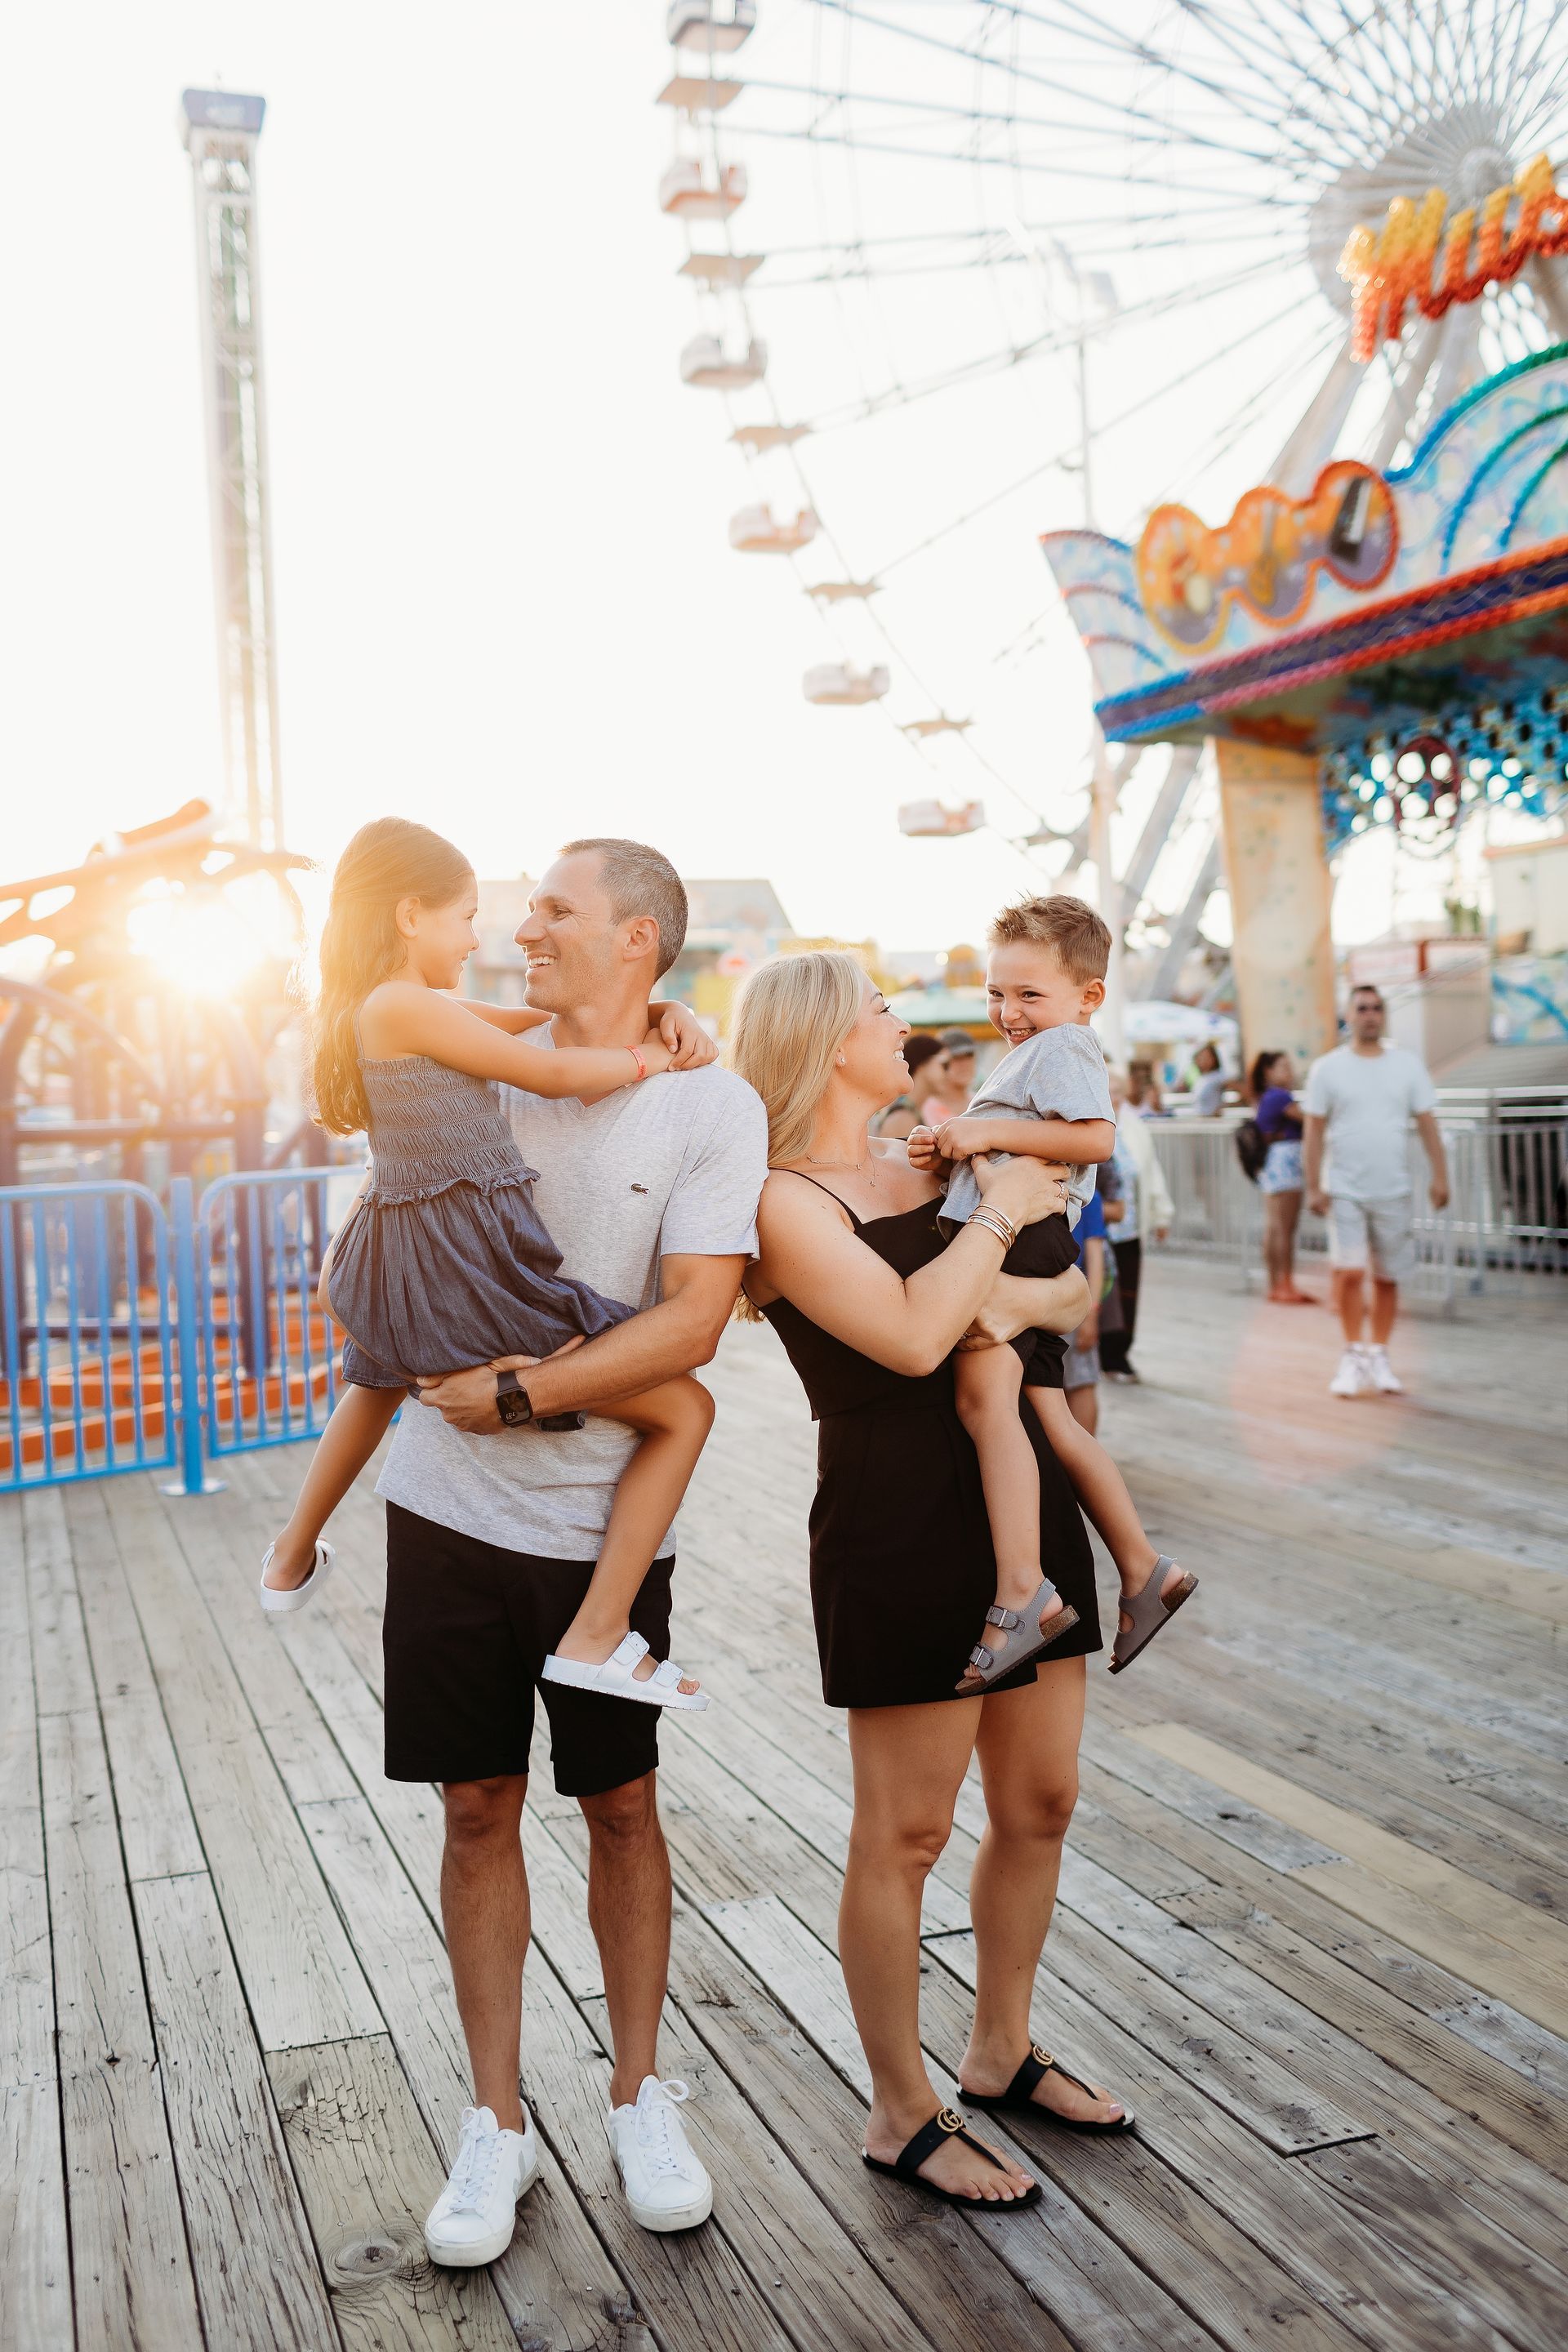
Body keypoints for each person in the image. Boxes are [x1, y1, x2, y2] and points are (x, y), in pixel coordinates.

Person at [363, 838, 768, 2264]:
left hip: (603, 1523)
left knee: (622, 1808)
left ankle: (640, 2094)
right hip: (446, 1509)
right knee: (474, 1811)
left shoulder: (713, 1102)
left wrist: (527, 1391)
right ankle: (494, 2127)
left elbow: (697, 1325)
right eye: (520, 907)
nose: (524, 929)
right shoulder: (468, 1072)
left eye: (554, 911)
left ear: (638, 937)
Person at [732, 950, 1136, 2212]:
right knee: (903, 1833)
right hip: (897, 1517)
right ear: (823, 1039)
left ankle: (1001, 2050)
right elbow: (910, 1336)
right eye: (880, 1011)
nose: (902, 1026)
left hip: (1017, 1495)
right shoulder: (781, 1198)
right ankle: (902, 2111)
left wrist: (990, 1289)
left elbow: (1071, 1300)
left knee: (1045, 1801)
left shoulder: (929, 1152)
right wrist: (1003, 1229)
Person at [261, 819, 715, 1712]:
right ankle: (601, 1634)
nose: (480, 938)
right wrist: (648, 1056)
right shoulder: (403, 1007)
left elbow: (540, 1025)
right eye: (466, 917)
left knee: (372, 1384)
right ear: (408, 916)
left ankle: (290, 1553)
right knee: (683, 1409)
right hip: (463, 1262)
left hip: (414, 1253)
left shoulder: (392, 1006)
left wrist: (668, 1007)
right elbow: (547, 1072)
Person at [910, 895, 1199, 1683]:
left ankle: (1022, 1593)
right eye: (999, 994)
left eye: (1028, 995)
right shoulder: (1038, 1050)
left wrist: (986, 1131)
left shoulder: (1067, 1044)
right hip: (1030, 1234)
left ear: (1087, 997)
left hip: (1023, 1242)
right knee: (1054, 1418)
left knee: (983, 1403)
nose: (1009, 1011)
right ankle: (1143, 1570)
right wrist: (952, 1147)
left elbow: (1093, 1139)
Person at [1302, 983, 1449, 1398]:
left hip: (1393, 1189)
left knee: (1387, 1276)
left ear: (1383, 1015)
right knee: (1349, 1273)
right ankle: (1352, 1354)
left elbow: (1427, 1122)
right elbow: (1313, 1131)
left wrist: (1441, 1176)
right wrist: (1314, 1184)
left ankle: (1379, 1354)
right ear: (1349, 1015)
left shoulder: (1407, 1065)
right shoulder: (1328, 1068)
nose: (1370, 1014)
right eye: (1362, 1008)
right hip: (1344, 1188)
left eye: (1376, 1008)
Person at [1098, 1066, 1172, 1382]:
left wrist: (1161, 1214)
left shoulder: (1134, 1127)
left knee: (1128, 1293)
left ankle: (1119, 1355)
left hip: (1128, 1229)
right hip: (1098, 1231)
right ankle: (1097, 1353)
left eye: (1118, 1091)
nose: (1114, 1097)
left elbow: (1151, 1172)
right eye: (1108, 1090)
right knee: (1099, 1294)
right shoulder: (1087, 1125)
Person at [1250, 1049, 1312, 1305]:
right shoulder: (1280, 1097)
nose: (1290, 1072)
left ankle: (1275, 1283)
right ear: (1269, 1072)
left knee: (1275, 1226)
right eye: (1284, 1067)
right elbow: (1312, 1120)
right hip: (1287, 1161)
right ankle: (1286, 1283)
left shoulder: (1266, 1097)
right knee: (1285, 1228)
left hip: (1272, 1162)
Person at [875, 1031, 942, 1140]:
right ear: (922, 1064)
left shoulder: (909, 1111)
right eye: (944, 1064)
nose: (949, 1073)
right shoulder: (903, 1116)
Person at [918, 1027, 978, 1129]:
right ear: (941, 1063)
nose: (964, 1064)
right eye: (956, 1058)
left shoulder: (980, 1101)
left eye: (969, 1056)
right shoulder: (925, 1108)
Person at [1191, 1041, 1227, 1116]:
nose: (1203, 1060)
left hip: (1213, 1120)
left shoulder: (1218, 1076)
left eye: (1206, 1057)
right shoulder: (1200, 1078)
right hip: (1201, 1119)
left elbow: (1243, 1090)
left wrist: (1223, 1107)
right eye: (1201, 1057)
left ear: (1214, 1059)